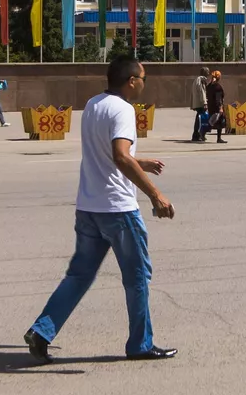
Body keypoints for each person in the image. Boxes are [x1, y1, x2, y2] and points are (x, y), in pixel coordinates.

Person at [24, 56, 178, 363]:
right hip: (118, 209)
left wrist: (140, 162)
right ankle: (140, 345)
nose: (144, 84)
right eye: (143, 78)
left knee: (79, 276)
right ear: (131, 81)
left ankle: (41, 332)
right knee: (137, 277)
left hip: (89, 208)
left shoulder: (93, 104)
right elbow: (119, 156)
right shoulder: (124, 109)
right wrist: (155, 195)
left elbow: (104, 154)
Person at [204, 70, 227, 144]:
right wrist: (220, 108)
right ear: (219, 77)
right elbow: (218, 99)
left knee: (211, 121)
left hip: (211, 106)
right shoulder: (217, 87)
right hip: (216, 107)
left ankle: (203, 134)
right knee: (219, 122)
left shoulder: (209, 86)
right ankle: (218, 138)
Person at [191, 66, 212, 142]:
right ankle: (198, 135)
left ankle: (196, 135)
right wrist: (204, 103)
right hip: (200, 103)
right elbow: (202, 92)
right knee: (201, 120)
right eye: (208, 71)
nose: (209, 73)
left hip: (197, 102)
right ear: (204, 72)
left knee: (198, 119)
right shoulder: (202, 80)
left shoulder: (197, 79)